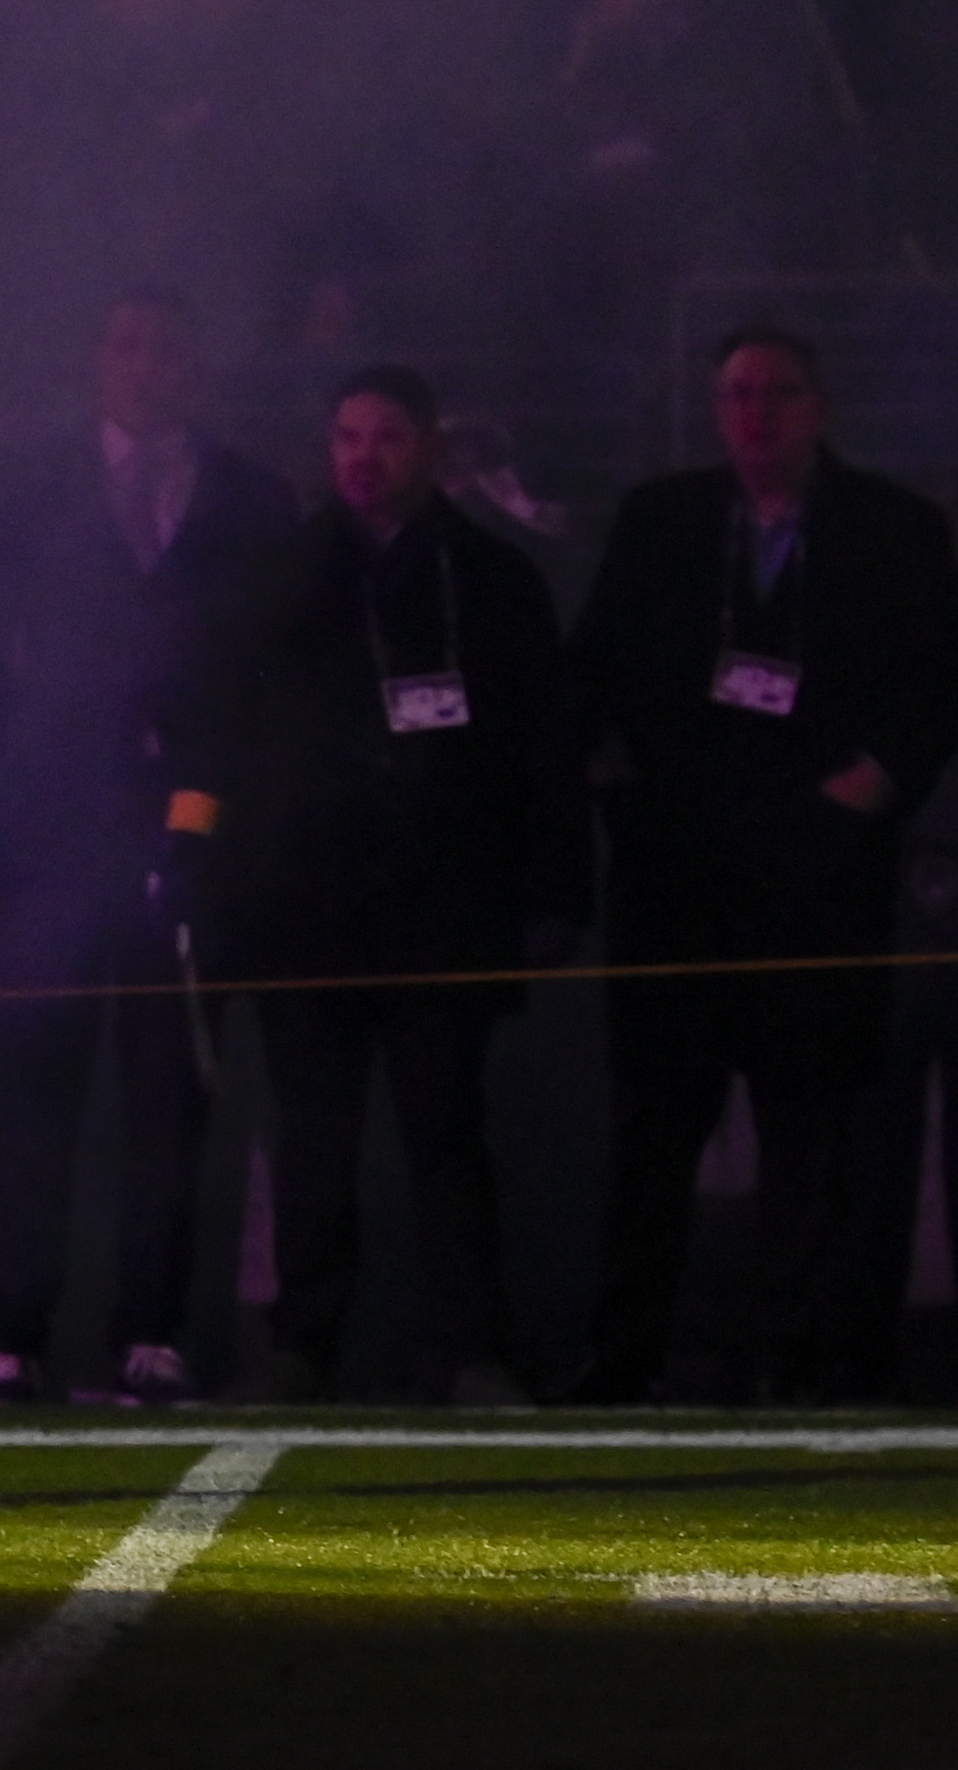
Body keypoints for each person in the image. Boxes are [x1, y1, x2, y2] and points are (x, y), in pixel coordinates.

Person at [181, 366, 584, 1404]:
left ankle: (473, 1349)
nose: (364, 458)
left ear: (433, 448)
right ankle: (302, 1346)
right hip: (303, 910)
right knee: (311, 1143)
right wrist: (193, 858)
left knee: (448, 1139)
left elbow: (547, 750)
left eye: (388, 437)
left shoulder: (493, 578)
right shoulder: (275, 575)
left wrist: (556, 893)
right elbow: (212, 740)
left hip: (444, 909)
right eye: (348, 438)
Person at [569, 329, 958, 1402]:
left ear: (819, 404)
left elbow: (935, 683)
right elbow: (594, 669)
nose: (755, 413)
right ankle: (623, 1364)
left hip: (818, 880)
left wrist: (875, 781)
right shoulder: (661, 519)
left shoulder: (894, 527)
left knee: (810, 1141)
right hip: (677, 882)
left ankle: (797, 1370)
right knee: (653, 1139)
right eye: (736, 394)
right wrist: (621, 792)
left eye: (776, 393)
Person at [0, 289, 298, 1408]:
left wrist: (229, 824)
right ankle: (13, 1337)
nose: (147, 363)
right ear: (98, 358)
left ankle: (153, 1333)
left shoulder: (251, 497)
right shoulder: (25, 485)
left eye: (168, 345)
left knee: (171, 1104)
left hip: (190, 839)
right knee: (33, 1102)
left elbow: (272, 681)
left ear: (196, 363)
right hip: (50, 840)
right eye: (128, 344)